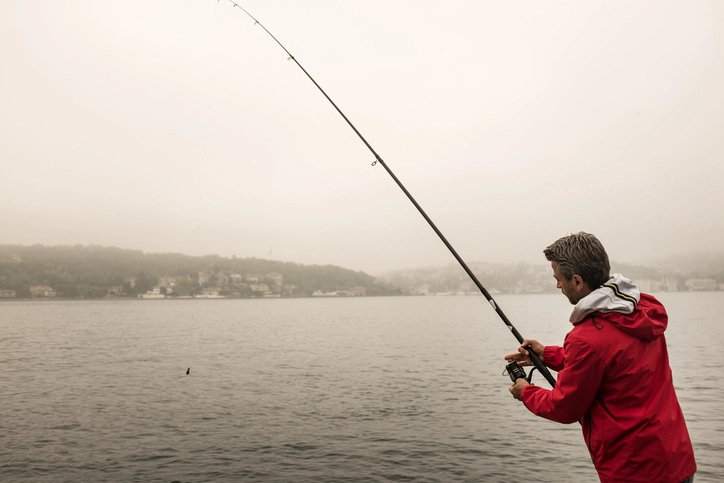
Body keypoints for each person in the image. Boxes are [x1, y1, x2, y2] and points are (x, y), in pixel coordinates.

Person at [505, 232, 696, 483]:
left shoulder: (586, 338)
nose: (557, 285)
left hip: (635, 471)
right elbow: (612, 359)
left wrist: (525, 391)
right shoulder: (640, 308)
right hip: (676, 458)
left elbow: (564, 408)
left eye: (559, 279)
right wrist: (546, 355)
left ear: (577, 280)